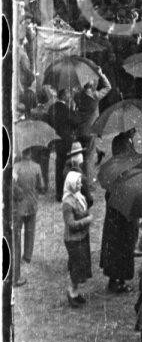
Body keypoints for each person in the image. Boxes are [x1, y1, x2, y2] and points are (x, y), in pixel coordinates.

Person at [99, 131, 140, 294]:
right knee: (123, 243)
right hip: (123, 210)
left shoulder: (121, 142)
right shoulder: (123, 145)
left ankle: (116, 279)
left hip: (117, 209)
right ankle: (118, 281)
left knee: (117, 244)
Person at [12, 148, 45, 287]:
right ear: (31, 153)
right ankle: (27, 256)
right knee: (30, 231)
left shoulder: (15, 167)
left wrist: (19, 194)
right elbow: (41, 186)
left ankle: (17, 259)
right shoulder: (37, 167)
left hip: (18, 207)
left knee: (17, 235)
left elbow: (12, 186)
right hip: (32, 205)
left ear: (21, 153)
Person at [62, 170, 93, 307]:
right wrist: (87, 220)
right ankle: (71, 292)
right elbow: (71, 224)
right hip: (73, 240)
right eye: (78, 183)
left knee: (80, 266)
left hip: (82, 237)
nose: (81, 185)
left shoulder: (79, 196)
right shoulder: (67, 203)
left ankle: (75, 292)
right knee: (76, 267)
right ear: (71, 184)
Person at [74, 67, 112, 181]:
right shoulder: (95, 96)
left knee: (82, 156)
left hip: (80, 130)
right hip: (91, 131)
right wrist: (101, 74)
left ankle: (83, 179)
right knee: (88, 159)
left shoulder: (78, 96)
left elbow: (77, 95)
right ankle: (88, 182)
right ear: (91, 86)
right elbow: (108, 87)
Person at [47, 87, 79, 201]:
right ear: (64, 95)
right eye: (68, 94)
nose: (70, 96)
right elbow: (76, 122)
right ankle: (67, 192)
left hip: (57, 140)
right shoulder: (66, 109)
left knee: (59, 166)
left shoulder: (52, 108)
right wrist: (73, 109)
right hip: (66, 140)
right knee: (68, 167)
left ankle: (59, 193)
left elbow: (49, 122)